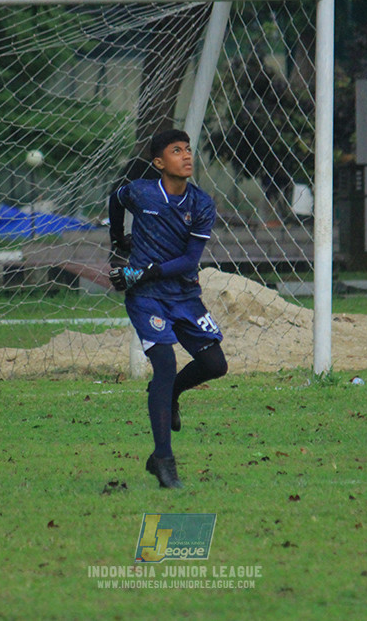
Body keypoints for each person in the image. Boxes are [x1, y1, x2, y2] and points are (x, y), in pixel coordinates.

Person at [107, 129, 228, 489]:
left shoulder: (202, 204)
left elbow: (191, 259)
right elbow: (116, 199)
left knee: (214, 365)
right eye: (177, 151)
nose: (187, 156)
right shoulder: (142, 191)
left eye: (189, 150)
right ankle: (163, 457)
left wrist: (149, 268)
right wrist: (118, 241)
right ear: (160, 163)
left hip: (184, 295)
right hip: (146, 297)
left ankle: (173, 393)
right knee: (164, 363)